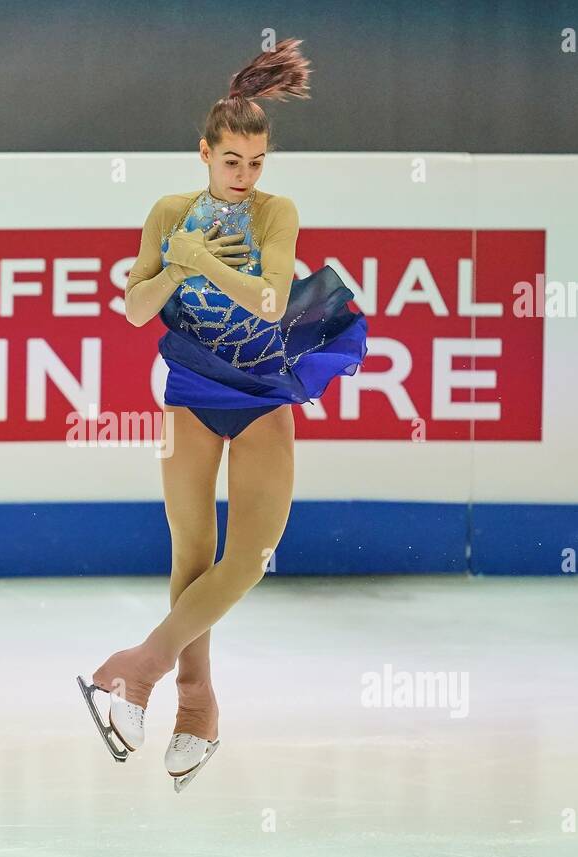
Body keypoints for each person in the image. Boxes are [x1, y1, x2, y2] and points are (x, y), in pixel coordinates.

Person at [77, 38, 368, 791]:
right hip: (192, 390)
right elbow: (138, 308)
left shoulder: (277, 212)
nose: (244, 176)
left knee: (252, 557)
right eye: (231, 161)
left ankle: (135, 670)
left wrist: (205, 263)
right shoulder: (169, 211)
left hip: (265, 387)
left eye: (256, 162)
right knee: (191, 556)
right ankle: (195, 705)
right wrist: (176, 260)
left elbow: (272, 299)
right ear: (204, 153)